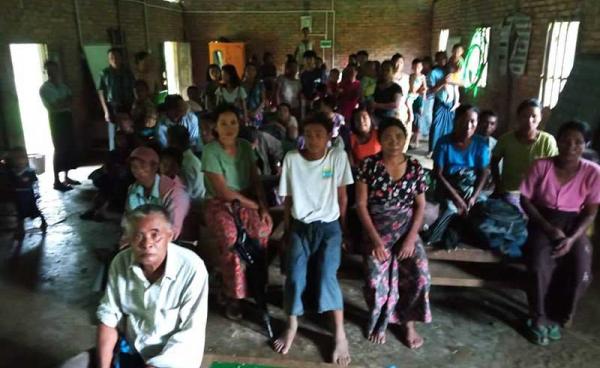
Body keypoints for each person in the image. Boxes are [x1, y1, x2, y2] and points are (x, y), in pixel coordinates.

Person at [274, 112, 353, 366]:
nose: (313, 139)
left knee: (327, 275)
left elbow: (343, 198)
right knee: (295, 276)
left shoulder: (338, 157)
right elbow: (287, 201)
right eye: (308, 134)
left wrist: (343, 230)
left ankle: (340, 334)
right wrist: (287, 232)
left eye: (319, 134)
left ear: (330, 136)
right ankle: (292, 325)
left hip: (329, 227)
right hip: (300, 225)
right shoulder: (292, 159)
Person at [96, 204, 208, 368]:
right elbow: (108, 317)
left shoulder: (192, 268)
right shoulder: (120, 262)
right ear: (129, 238)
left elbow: (190, 335)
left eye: (155, 235)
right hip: (133, 350)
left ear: (170, 236)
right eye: (138, 236)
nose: (147, 244)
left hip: (174, 359)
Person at [520, 120, 600, 345]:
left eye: (578, 142)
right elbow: (525, 199)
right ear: (557, 141)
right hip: (542, 220)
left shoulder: (593, 172)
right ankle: (537, 316)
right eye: (566, 140)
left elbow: (591, 212)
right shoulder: (541, 166)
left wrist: (572, 238)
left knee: (581, 267)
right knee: (538, 265)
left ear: (586, 145)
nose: (571, 146)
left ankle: (559, 314)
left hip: (574, 224)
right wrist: (547, 228)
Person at [355, 117, 431, 348]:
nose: (394, 142)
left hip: (406, 231)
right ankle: (381, 319)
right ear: (380, 139)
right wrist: (376, 241)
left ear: (406, 139)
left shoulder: (415, 167)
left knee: (420, 276)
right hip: (376, 231)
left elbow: (420, 206)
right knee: (374, 279)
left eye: (398, 137)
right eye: (388, 137)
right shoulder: (368, 165)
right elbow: (360, 205)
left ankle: (407, 323)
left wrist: (410, 240)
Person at [201, 104, 273, 319]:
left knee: (262, 229)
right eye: (223, 123)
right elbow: (223, 191)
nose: (229, 127)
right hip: (218, 203)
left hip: (246, 199)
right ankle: (233, 295)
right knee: (232, 238)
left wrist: (263, 205)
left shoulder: (244, 146)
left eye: (233, 122)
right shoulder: (210, 151)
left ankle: (258, 284)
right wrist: (254, 205)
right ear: (215, 127)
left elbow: (255, 179)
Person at [422, 105, 490, 245]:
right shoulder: (444, 143)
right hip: (448, 188)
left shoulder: (480, 144)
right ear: (455, 120)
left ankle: (458, 230)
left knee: (483, 210)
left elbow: (484, 172)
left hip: (470, 189)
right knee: (450, 209)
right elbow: (438, 174)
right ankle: (443, 233)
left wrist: (473, 197)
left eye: (472, 121)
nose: (468, 126)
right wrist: (457, 199)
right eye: (463, 121)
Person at [492, 98, 558, 210]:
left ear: (540, 117)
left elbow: (554, 168)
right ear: (518, 117)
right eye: (524, 116)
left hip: (537, 193)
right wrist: (498, 186)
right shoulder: (506, 140)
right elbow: (494, 162)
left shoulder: (547, 141)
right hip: (510, 191)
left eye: (534, 116)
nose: (529, 120)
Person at [126, 146, 190, 240]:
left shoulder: (175, 193)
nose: (138, 171)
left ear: (155, 167)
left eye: (142, 166)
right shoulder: (133, 189)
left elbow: (172, 232)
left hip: (165, 243)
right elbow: (128, 221)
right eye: (134, 166)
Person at [39, 60, 80, 191]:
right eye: (49, 70)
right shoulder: (45, 88)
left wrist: (63, 102)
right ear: (46, 72)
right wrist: (64, 102)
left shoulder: (63, 86)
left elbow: (72, 100)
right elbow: (54, 106)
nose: (52, 73)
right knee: (59, 149)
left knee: (69, 147)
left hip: (67, 117)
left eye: (54, 69)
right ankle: (56, 181)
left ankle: (66, 177)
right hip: (56, 119)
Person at [81, 131, 134, 222]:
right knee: (104, 183)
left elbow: (129, 169)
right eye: (118, 139)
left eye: (122, 139)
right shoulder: (113, 153)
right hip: (114, 176)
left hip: (126, 178)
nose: (121, 141)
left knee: (116, 185)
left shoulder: (131, 153)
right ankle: (95, 209)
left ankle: (101, 211)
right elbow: (107, 166)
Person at [0, 147, 47, 238]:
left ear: (25, 159)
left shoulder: (29, 171)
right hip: (17, 197)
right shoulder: (11, 172)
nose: (18, 161)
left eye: (21, 158)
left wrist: (36, 193)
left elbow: (35, 183)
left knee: (35, 211)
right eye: (15, 158)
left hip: (29, 196)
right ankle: (20, 230)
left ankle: (43, 221)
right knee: (20, 215)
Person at [98, 48, 136, 151]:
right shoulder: (104, 73)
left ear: (121, 58)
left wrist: (134, 106)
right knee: (114, 135)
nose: (114, 60)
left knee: (129, 133)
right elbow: (101, 93)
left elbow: (134, 89)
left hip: (128, 106)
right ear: (109, 60)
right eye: (111, 58)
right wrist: (106, 111)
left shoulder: (127, 72)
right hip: (113, 107)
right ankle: (114, 157)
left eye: (116, 57)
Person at [428, 58, 459, 156]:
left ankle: (446, 148)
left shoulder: (455, 78)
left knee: (449, 126)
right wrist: (444, 82)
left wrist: (455, 103)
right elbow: (432, 90)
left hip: (450, 105)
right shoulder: (437, 74)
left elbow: (456, 91)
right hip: (441, 103)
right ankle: (432, 149)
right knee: (436, 125)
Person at [168, 125, 206, 205]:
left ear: (173, 142)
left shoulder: (185, 164)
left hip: (195, 206)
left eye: (169, 140)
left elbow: (185, 195)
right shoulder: (190, 159)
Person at [408, 59, 428, 149]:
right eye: (415, 67)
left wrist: (423, 98)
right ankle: (411, 139)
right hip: (412, 97)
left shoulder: (423, 76)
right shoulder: (411, 76)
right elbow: (412, 89)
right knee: (411, 118)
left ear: (422, 68)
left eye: (419, 67)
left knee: (419, 118)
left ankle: (416, 141)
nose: (417, 68)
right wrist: (419, 90)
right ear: (412, 67)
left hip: (419, 99)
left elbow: (425, 88)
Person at [299, 50, 323, 117]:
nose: (308, 61)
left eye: (310, 59)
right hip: (305, 102)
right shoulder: (303, 74)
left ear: (314, 60)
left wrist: (315, 98)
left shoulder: (320, 72)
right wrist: (303, 96)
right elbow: (302, 87)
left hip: (317, 102)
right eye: (306, 59)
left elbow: (322, 87)